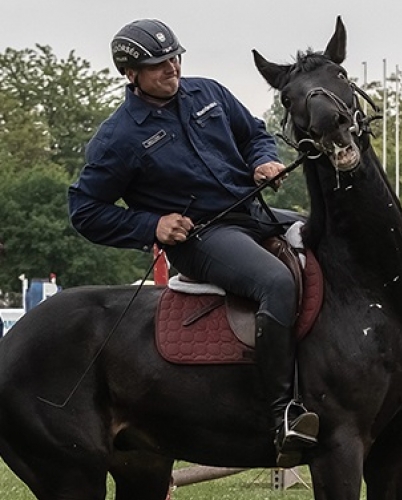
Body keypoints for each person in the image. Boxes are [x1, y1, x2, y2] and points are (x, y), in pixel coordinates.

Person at [67, 19, 316, 467]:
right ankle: (282, 415)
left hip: (254, 214)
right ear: (131, 74)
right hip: (203, 236)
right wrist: (151, 226)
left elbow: (255, 135)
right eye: (158, 64)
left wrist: (263, 162)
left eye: (175, 57)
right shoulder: (117, 138)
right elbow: (84, 211)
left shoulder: (209, 93)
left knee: (329, 242)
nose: (172, 68)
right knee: (275, 283)